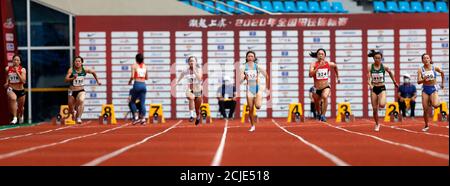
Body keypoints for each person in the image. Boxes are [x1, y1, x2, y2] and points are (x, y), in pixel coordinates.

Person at [367, 50, 398, 132]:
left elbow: (390, 73)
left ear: (381, 59)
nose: (378, 60)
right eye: (376, 58)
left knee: (382, 105)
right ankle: (377, 124)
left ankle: (381, 102)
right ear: (373, 58)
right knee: (374, 109)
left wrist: (394, 82)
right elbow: (368, 78)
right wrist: (370, 84)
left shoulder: (384, 67)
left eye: (379, 58)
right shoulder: (370, 67)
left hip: (381, 88)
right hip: (374, 89)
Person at [64, 56, 101, 124]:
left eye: (79, 61)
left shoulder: (85, 70)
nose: (77, 63)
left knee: (81, 100)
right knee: (70, 108)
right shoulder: (71, 70)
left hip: (81, 90)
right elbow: (65, 79)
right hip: (71, 91)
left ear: (81, 63)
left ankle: (79, 118)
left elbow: (93, 72)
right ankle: (73, 112)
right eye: (76, 61)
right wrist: (72, 78)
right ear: (74, 63)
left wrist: (97, 81)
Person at [240, 51, 269, 132]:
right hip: (249, 89)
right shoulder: (243, 67)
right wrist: (244, 78)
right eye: (248, 56)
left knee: (258, 106)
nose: (250, 58)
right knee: (250, 108)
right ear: (246, 58)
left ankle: (259, 98)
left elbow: (267, 76)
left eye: (252, 56)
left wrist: (266, 88)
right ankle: (252, 126)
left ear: (254, 58)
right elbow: (239, 81)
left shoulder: (258, 66)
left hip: (258, 88)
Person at [308, 48, 340, 122]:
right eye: (319, 54)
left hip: (325, 86)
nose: (320, 55)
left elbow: (335, 66)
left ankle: (323, 115)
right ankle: (319, 114)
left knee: (325, 96)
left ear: (325, 55)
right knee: (316, 102)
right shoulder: (313, 64)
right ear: (317, 55)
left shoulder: (328, 63)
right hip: (316, 88)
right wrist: (318, 67)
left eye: (322, 54)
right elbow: (310, 75)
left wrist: (337, 77)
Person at [417, 53, 445, 132]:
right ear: (422, 61)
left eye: (427, 58)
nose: (426, 60)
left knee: (435, 105)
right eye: (424, 58)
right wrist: (423, 80)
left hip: (433, 88)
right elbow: (418, 81)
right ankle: (426, 125)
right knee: (425, 109)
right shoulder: (420, 69)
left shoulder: (434, 67)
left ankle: (437, 102)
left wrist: (442, 83)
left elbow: (442, 73)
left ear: (430, 60)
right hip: (425, 89)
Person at [176, 56, 203, 125]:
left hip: (198, 89)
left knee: (197, 108)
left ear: (196, 62)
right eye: (190, 61)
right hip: (190, 89)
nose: (191, 62)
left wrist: (194, 70)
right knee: (191, 98)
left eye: (193, 61)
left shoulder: (199, 69)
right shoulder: (186, 70)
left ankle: (198, 116)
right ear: (188, 62)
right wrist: (176, 83)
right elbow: (181, 76)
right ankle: (191, 116)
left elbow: (200, 78)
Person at [4, 55, 26, 124]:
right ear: (12, 61)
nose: (16, 61)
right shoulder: (7, 68)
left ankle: (21, 115)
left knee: (20, 108)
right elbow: (8, 76)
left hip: (21, 90)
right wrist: (7, 82)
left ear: (20, 62)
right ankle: (15, 118)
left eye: (17, 60)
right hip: (11, 89)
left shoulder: (22, 69)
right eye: (14, 60)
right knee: (13, 99)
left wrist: (17, 72)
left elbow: (23, 81)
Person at [128, 53, 148, 125]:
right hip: (143, 85)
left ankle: (136, 118)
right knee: (142, 103)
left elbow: (132, 76)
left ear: (136, 59)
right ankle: (143, 119)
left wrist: (129, 81)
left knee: (132, 102)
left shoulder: (134, 66)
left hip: (137, 84)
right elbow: (147, 78)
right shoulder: (145, 66)